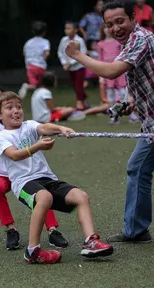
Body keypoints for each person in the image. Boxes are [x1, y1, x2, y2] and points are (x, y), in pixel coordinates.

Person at [65, 0, 154, 243]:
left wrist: (78, 55)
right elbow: (139, 79)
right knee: (139, 168)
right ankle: (137, 229)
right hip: (149, 124)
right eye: (109, 24)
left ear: (133, 18)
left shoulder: (139, 38)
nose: (115, 28)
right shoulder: (132, 42)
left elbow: (111, 71)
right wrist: (129, 102)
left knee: (138, 167)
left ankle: (136, 230)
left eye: (120, 21)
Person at [0, 91, 114, 264]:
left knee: (81, 196)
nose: (16, 111)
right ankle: (32, 251)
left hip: (47, 179)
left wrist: (60, 129)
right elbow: (14, 155)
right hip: (23, 184)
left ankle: (91, 242)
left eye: (19, 107)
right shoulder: (1, 137)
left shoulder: (29, 125)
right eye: (9, 108)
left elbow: (44, 128)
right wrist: (36, 147)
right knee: (44, 197)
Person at [0, 83, 69, 250]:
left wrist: (59, 129)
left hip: (22, 171)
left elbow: (39, 127)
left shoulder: (14, 119)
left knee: (41, 192)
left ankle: (52, 230)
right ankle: (11, 229)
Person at [58, 21, 88, 110]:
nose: (66, 31)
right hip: (70, 68)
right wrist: (64, 63)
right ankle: (84, 101)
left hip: (79, 66)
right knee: (75, 85)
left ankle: (79, 104)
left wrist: (70, 63)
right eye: (65, 28)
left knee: (78, 85)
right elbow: (60, 52)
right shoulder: (64, 40)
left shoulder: (79, 40)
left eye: (69, 28)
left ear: (75, 30)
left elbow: (83, 53)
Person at [19, 21, 50, 99]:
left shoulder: (28, 43)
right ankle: (42, 99)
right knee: (42, 85)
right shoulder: (45, 42)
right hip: (40, 66)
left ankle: (28, 87)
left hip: (30, 66)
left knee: (34, 86)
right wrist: (45, 58)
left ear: (33, 31)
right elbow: (47, 53)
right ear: (44, 32)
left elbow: (24, 53)